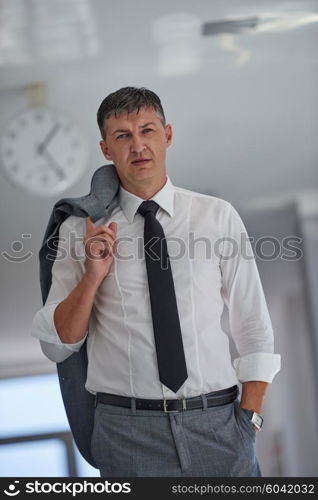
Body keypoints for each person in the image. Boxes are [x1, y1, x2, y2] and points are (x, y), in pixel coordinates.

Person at [31, 86, 281, 477]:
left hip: (220, 425)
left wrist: (249, 419)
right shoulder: (80, 230)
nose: (138, 146)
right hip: (127, 434)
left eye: (147, 130)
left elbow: (253, 325)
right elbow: (58, 345)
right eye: (122, 136)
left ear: (167, 136)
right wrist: (93, 274)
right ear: (105, 149)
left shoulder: (216, 217)